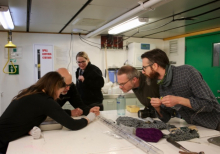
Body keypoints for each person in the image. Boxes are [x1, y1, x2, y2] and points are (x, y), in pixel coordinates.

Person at [0, 72, 97, 154]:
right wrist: (90, 117)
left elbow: (23, 116)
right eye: (60, 92)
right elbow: (73, 125)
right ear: (55, 87)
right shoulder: (45, 100)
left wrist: (28, 130)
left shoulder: (32, 92)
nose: (59, 96)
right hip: (3, 143)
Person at [141, 48, 220, 130]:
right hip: (197, 127)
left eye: (144, 68)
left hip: (216, 124)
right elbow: (166, 118)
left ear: (155, 66)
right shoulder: (162, 85)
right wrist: (157, 107)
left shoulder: (187, 72)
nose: (143, 71)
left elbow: (207, 104)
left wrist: (178, 100)